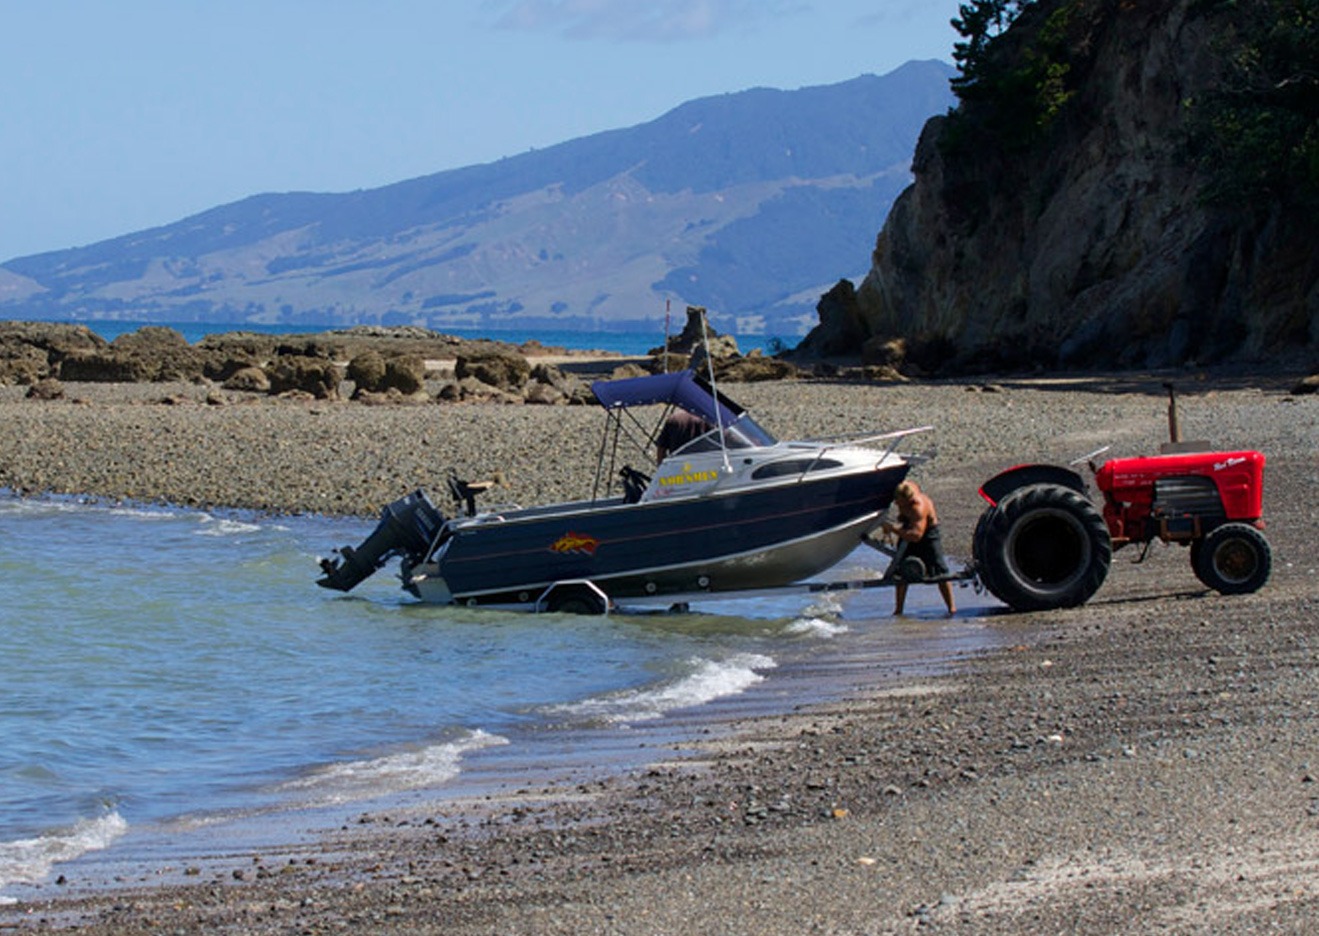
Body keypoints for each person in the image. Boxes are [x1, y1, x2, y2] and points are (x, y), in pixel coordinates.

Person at [881, 480, 956, 616]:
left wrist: (892, 529)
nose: (896, 504)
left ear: (907, 500)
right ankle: (898, 610)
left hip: (926, 535)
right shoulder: (906, 487)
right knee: (901, 570)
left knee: (940, 572)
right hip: (909, 526)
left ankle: (951, 608)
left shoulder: (918, 508)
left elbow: (916, 536)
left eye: (899, 502)